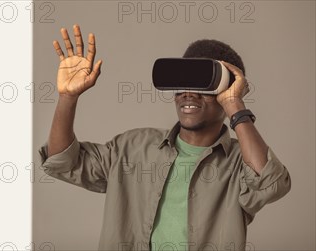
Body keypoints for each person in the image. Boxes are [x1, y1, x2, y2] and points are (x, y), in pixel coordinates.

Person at [38, 24, 292, 251]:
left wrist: (235, 104)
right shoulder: (132, 148)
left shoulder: (240, 162)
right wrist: (67, 98)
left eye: (203, 82)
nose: (188, 93)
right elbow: (63, 162)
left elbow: (270, 184)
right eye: (183, 80)